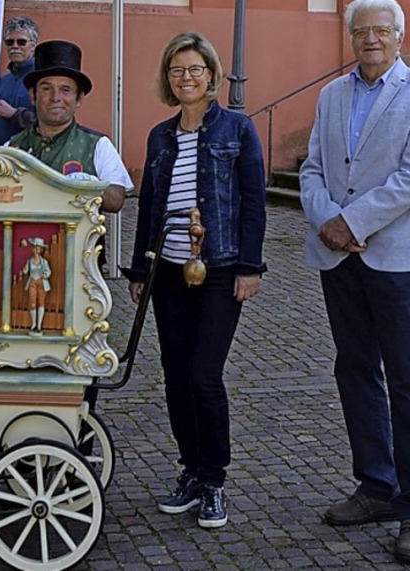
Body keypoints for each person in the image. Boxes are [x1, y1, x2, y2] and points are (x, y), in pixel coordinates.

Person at [125, 31, 266, 530]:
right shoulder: (160, 136)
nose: (186, 78)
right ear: (168, 79)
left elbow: (254, 200)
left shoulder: (237, 129)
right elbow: (150, 207)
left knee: (205, 376)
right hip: (168, 271)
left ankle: (214, 480)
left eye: (195, 70)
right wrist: (141, 269)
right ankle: (190, 468)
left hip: (220, 269)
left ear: (211, 74)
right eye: (177, 71)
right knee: (176, 377)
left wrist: (250, 266)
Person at [299, 0, 410, 565]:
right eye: (361, 31)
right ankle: (375, 488)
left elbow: (409, 178)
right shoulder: (331, 94)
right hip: (340, 257)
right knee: (356, 370)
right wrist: (327, 221)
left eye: (381, 31)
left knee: (406, 380)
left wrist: (353, 221)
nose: (370, 39)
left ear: (399, 35)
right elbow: (314, 166)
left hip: (394, 259)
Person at [10, 40, 133, 214]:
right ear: (33, 96)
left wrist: (91, 186)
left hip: (80, 241)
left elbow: (115, 202)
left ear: (79, 98)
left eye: (65, 89)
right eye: (46, 89)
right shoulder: (12, 146)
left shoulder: (98, 144)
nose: (56, 97)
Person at [0, 16, 39, 146]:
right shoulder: (0, 82)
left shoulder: (42, 81)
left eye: (21, 42)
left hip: (29, 158)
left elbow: (49, 124)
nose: (15, 47)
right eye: (9, 42)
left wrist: (14, 114)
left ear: (33, 46)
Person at [21, 236, 51, 333]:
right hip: (33, 282)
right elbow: (26, 270)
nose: (36, 250)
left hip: (41, 282)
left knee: (41, 303)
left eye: (38, 248)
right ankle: (33, 323)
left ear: (41, 250)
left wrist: (45, 274)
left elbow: (48, 271)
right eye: (34, 248)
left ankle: (39, 325)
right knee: (33, 303)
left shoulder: (44, 262)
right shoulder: (30, 261)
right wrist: (24, 270)